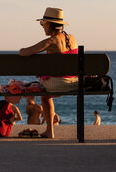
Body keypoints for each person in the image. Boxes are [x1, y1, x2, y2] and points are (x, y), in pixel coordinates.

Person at [19, 7, 78, 138]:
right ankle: (49, 130)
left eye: (43, 23)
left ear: (50, 24)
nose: (42, 27)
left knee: (45, 95)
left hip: (59, 84)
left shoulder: (51, 41)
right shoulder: (72, 38)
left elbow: (24, 52)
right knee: (46, 90)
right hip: (75, 82)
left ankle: (50, 131)